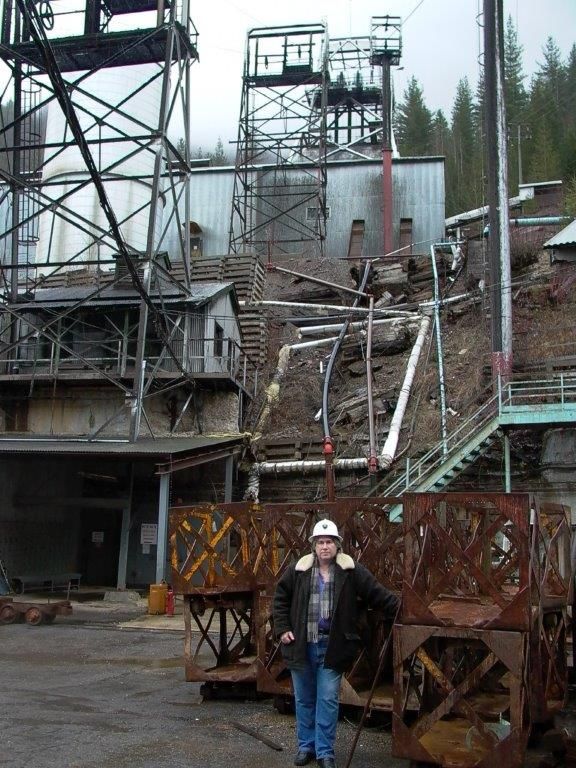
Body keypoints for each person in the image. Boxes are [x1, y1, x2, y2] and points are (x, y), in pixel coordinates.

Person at [273, 518, 399, 768]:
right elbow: (280, 599)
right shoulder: (298, 570)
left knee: (328, 700)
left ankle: (325, 752)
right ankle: (306, 747)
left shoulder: (350, 571)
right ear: (313, 545)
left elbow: (377, 593)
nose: (324, 546)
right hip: (302, 646)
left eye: (329, 542)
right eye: (320, 542)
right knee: (304, 699)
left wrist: (402, 609)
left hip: (332, 646)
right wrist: (283, 628)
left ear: (337, 545)